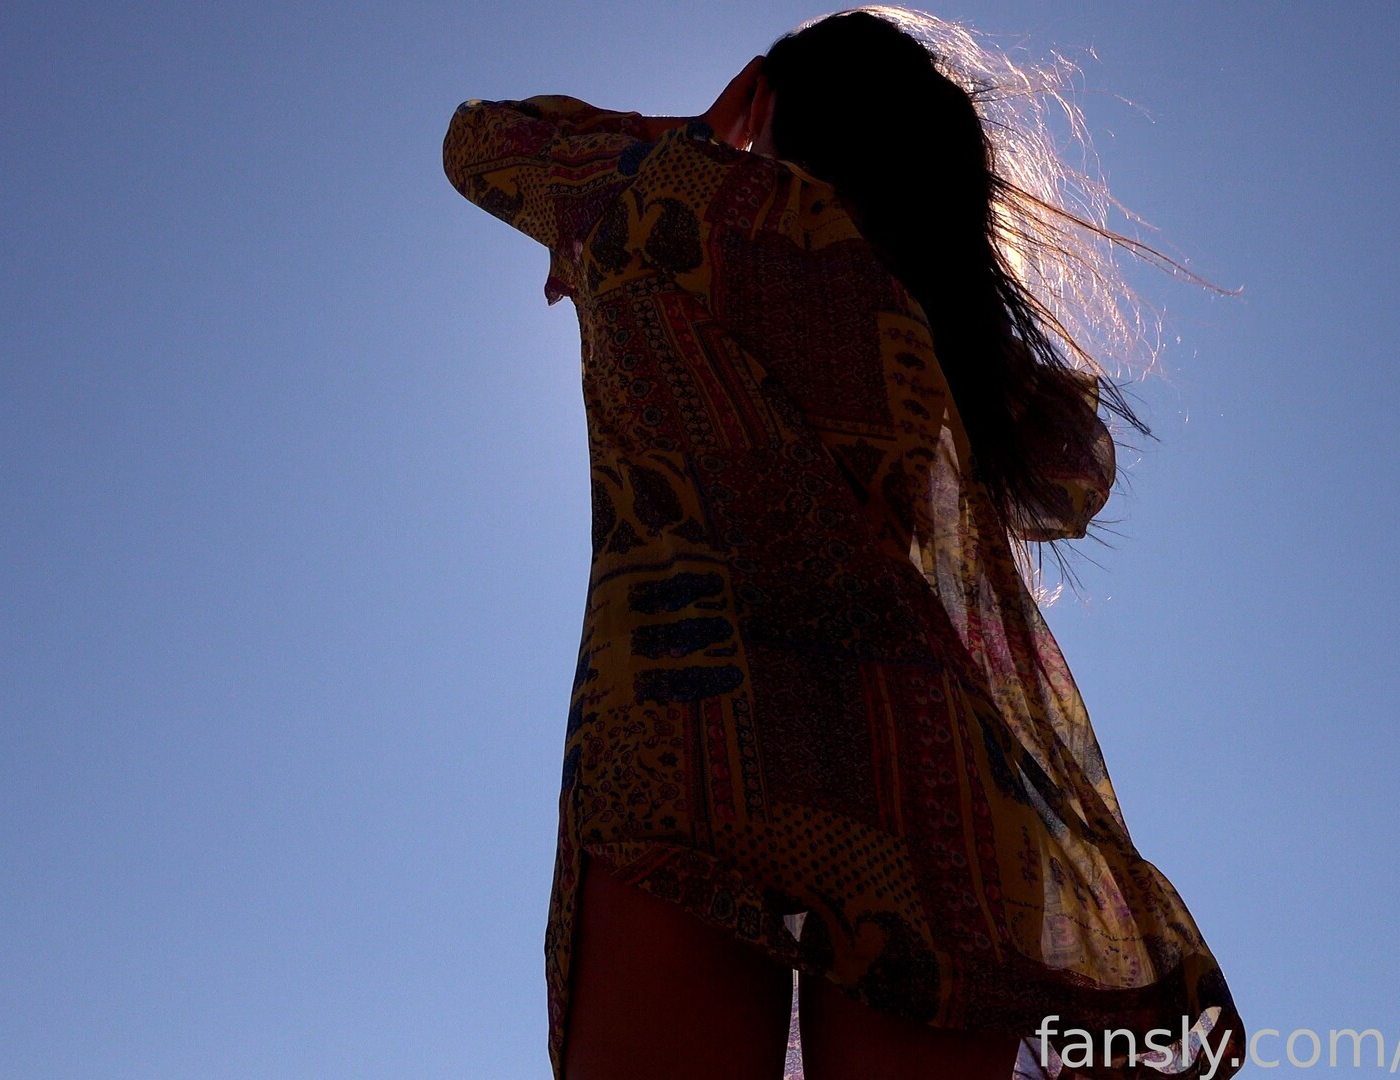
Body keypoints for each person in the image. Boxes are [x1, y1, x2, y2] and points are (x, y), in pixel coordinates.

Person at [442, 7, 1243, 1079]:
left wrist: (691, 135)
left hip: (689, 734)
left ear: (769, 107)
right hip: (928, 774)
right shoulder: (936, 312)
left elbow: (481, 142)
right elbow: (1071, 478)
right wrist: (946, 268)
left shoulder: (668, 199)